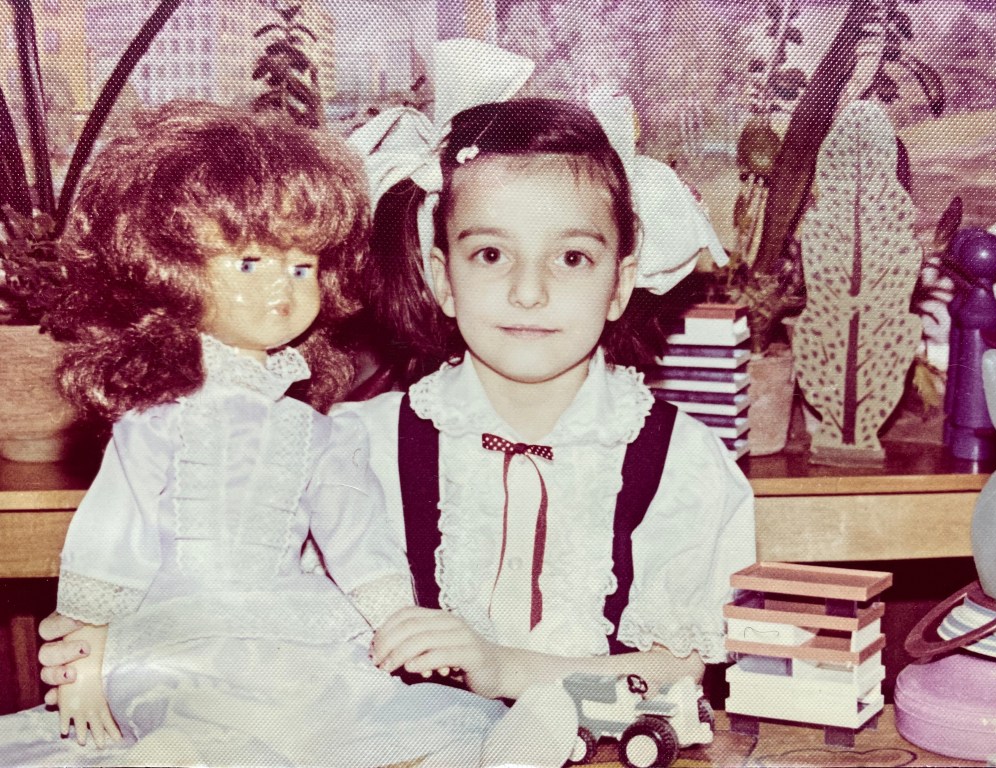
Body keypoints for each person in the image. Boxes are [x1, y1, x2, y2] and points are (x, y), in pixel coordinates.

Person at [5, 100, 571, 768]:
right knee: (205, 713)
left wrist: (398, 620)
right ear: (174, 269)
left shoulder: (318, 434)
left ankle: (491, 748)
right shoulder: (159, 420)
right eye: (250, 263)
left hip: (290, 626)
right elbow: (109, 541)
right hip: (176, 631)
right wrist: (81, 666)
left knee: (361, 711)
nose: (283, 288)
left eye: (302, 268)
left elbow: (358, 539)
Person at [342, 89, 757, 702]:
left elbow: (678, 670)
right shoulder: (361, 450)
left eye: (571, 257)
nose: (529, 291)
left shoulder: (681, 463)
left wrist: (501, 667)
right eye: (490, 254)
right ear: (443, 278)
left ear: (619, 285)